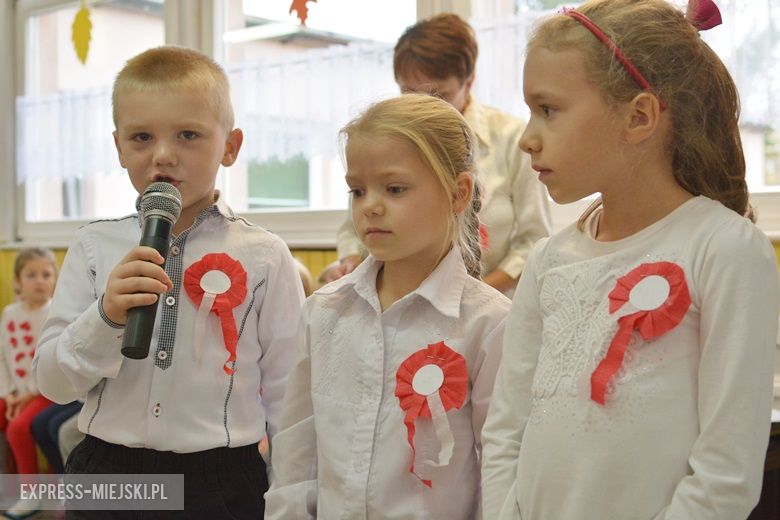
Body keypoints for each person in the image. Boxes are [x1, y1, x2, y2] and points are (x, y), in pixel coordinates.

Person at [480, 1, 780, 518]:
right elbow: (506, 430)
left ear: (639, 117)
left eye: (548, 110)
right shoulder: (550, 261)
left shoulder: (725, 251)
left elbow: (725, 473)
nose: (528, 139)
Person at [32, 46, 305, 519]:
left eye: (188, 135)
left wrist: (293, 499)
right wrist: (105, 318)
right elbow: (54, 384)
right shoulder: (94, 246)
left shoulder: (264, 256)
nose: (163, 154)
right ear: (118, 146)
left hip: (220, 480)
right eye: (141, 136)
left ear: (231, 146)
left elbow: (290, 394)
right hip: (107, 472)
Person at [265, 94, 511, 519]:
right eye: (357, 190)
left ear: (459, 193)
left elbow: (499, 469)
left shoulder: (489, 324)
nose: (370, 206)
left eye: (395, 189)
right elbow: (296, 457)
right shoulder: (323, 312)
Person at [323, 13, 551, 294]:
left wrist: (468, 296)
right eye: (408, 92)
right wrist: (351, 264)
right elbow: (352, 231)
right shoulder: (389, 142)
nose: (422, 105)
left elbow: (533, 242)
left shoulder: (513, 139)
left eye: (439, 95)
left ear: (469, 83)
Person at [0, 247, 57, 519]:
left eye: (46, 274)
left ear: (55, 280)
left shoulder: (54, 314)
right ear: (18, 281)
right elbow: (2, 356)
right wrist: (8, 393)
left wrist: (27, 395)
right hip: (15, 392)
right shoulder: (10, 313)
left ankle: (30, 495)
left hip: (44, 392)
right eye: (31, 274)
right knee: (6, 419)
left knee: (18, 428)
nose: (39, 280)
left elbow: (54, 364)